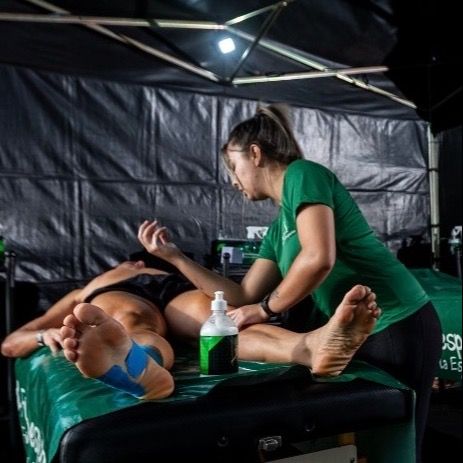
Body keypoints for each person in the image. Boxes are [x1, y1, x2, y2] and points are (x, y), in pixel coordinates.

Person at [137, 104, 442, 463]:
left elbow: (319, 258)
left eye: (233, 167)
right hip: (355, 330)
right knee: (365, 445)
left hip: (398, 321)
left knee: (396, 447)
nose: (233, 181)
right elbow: (242, 294)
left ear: (255, 154)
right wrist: (175, 257)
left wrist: (264, 310)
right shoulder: (279, 226)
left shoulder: (303, 173)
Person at [1, 258, 379, 400]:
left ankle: (311, 347)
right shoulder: (88, 288)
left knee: (222, 322)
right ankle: (137, 364)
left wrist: (169, 257)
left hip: (176, 290)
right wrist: (43, 335)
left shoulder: (168, 267)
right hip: (118, 293)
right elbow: (9, 343)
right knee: (131, 321)